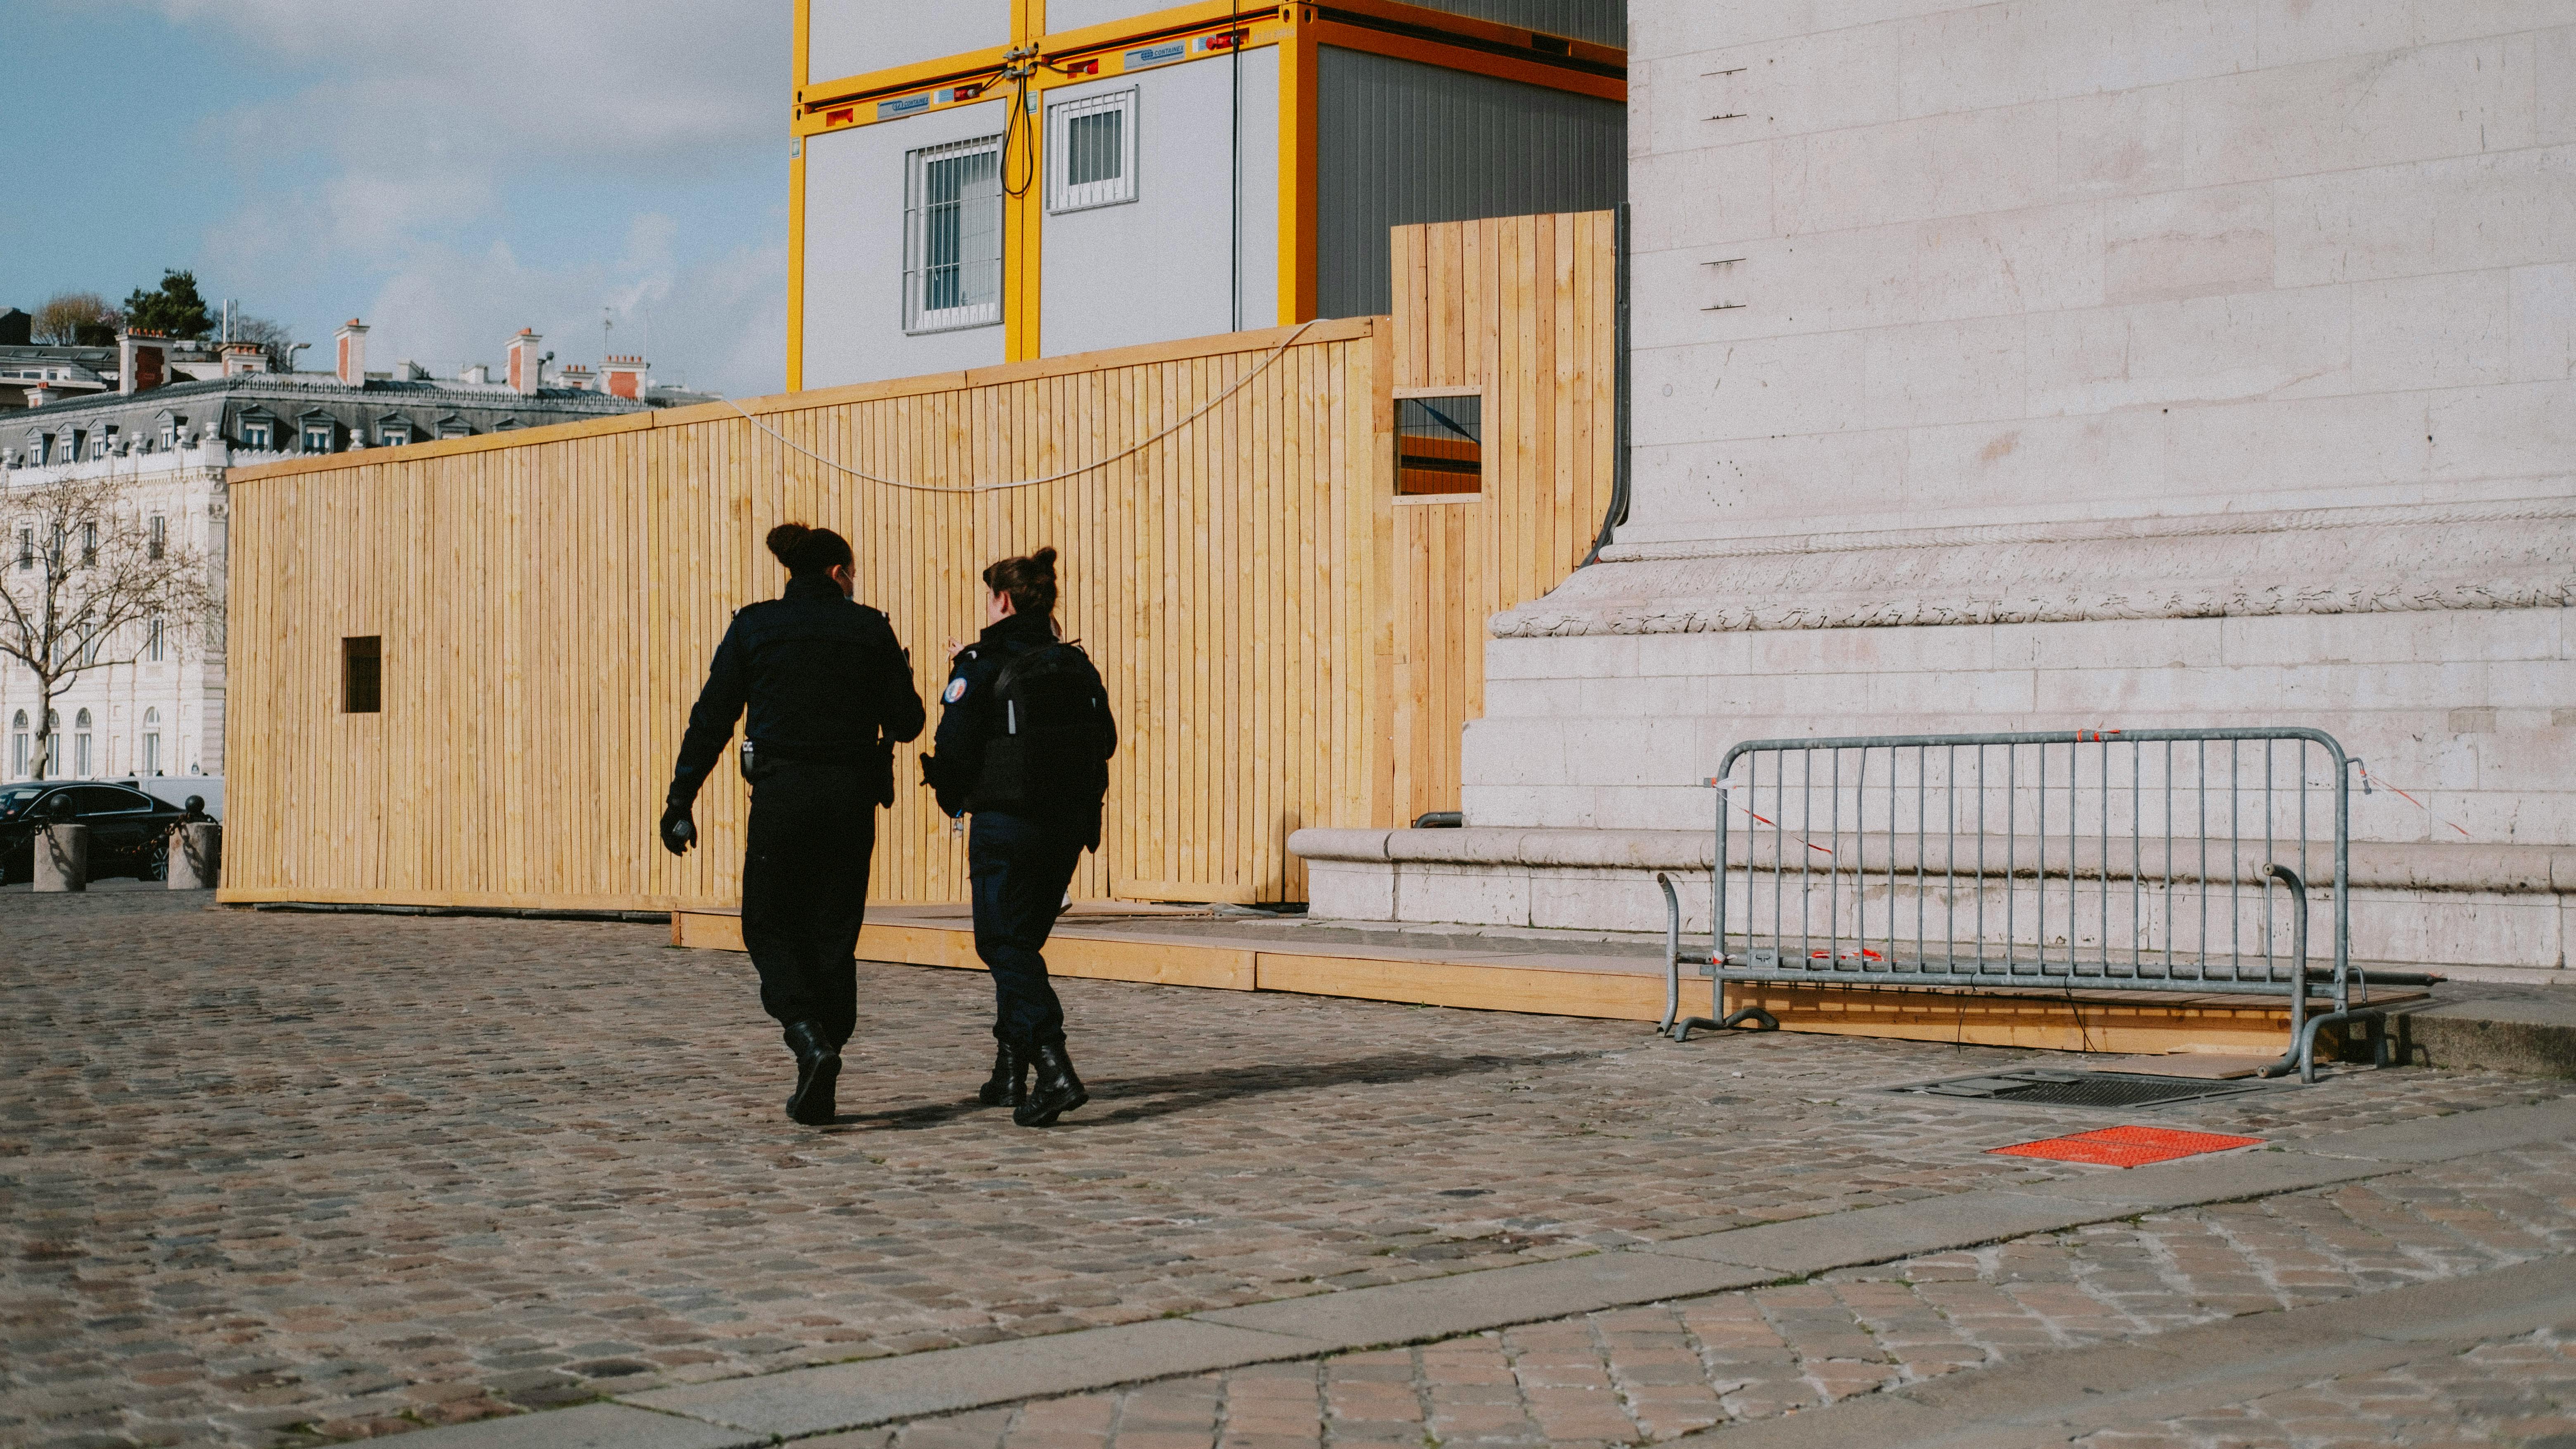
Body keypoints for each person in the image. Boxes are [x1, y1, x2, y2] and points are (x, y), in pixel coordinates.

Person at [661, 523, 925, 1126]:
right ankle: (826, 1051)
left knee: (769, 922)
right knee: (834, 929)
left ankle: (808, 1039)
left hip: (783, 796)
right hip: (852, 799)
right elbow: (908, 722)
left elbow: (713, 718)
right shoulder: (871, 628)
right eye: (853, 572)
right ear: (838, 573)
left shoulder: (754, 626)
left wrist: (681, 799)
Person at [922, 547, 1117, 1128]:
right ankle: (1011, 1067)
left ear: (1002, 600)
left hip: (1006, 821)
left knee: (1003, 944)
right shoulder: (1075, 664)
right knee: (1021, 947)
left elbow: (953, 748)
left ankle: (1054, 1068)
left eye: (990, 596)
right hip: (1067, 826)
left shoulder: (981, 661)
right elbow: (1103, 739)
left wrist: (952, 795)